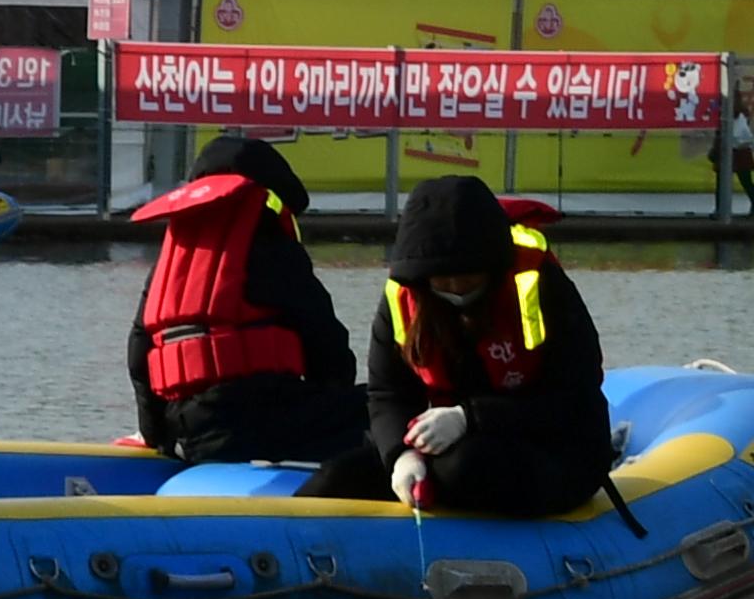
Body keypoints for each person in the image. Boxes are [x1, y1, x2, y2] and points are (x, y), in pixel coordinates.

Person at [305, 177, 613, 516]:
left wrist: (470, 417)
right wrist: (398, 456)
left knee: (467, 467)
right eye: (442, 279)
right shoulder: (404, 297)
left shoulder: (542, 286)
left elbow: (575, 397)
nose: (455, 287)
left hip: (551, 448)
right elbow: (387, 394)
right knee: (336, 478)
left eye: (467, 277)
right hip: (443, 448)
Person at [124, 134, 363, 466]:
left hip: (184, 430)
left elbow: (139, 353)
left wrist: (155, 437)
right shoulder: (274, 250)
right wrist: (330, 401)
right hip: (257, 430)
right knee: (379, 405)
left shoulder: (169, 263)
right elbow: (329, 347)